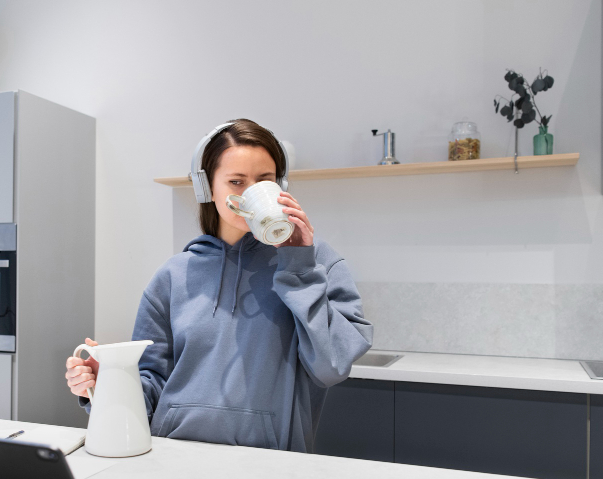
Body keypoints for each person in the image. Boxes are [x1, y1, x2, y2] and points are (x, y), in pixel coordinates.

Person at [64, 119, 372, 452]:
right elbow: (151, 386)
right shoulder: (172, 276)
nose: (250, 193)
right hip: (173, 458)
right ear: (208, 188)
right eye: (236, 182)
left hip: (273, 467)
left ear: (280, 186)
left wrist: (298, 265)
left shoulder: (316, 261)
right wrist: (107, 382)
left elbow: (333, 366)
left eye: (264, 181)